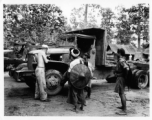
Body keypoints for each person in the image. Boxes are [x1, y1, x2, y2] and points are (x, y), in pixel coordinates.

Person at [61, 48, 86, 112]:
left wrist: (67, 80)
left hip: (74, 80)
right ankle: (82, 107)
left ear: (72, 55)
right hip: (81, 79)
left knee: (74, 93)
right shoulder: (81, 61)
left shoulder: (72, 63)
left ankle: (75, 108)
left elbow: (69, 73)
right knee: (81, 93)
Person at [114, 48, 129, 115]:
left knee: (122, 93)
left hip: (121, 78)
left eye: (118, 52)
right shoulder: (121, 60)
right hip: (120, 78)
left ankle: (124, 110)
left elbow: (126, 68)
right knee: (120, 93)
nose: (117, 53)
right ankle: (123, 107)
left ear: (120, 53)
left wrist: (124, 76)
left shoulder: (121, 60)